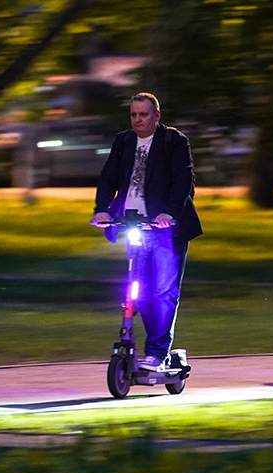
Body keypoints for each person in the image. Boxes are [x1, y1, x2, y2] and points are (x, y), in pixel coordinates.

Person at [90, 92, 202, 371]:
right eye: (134, 114)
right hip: (134, 225)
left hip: (165, 229)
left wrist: (169, 213)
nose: (138, 120)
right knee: (138, 292)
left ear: (156, 116)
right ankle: (149, 348)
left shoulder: (173, 141)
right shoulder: (124, 141)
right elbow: (108, 178)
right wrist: (102, 209)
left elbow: (183, 181)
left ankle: (157, 353)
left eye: (144, 114)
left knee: (163, 292)